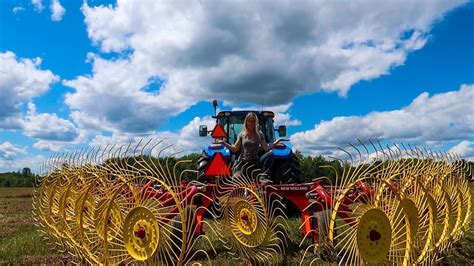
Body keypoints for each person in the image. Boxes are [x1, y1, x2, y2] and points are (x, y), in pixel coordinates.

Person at [218, 112, 289, 177]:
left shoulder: (260, 134)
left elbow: (266, 148)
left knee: (271, 154)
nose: (251, 123)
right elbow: (235, 149)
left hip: (255, 162)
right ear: (246, 122)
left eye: (253, 121)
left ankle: (263, 176)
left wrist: (277, 141)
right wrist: (224, 143)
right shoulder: (242, 134)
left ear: (256, 122)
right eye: (249, 121)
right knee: (237, 178)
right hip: (243, 163)